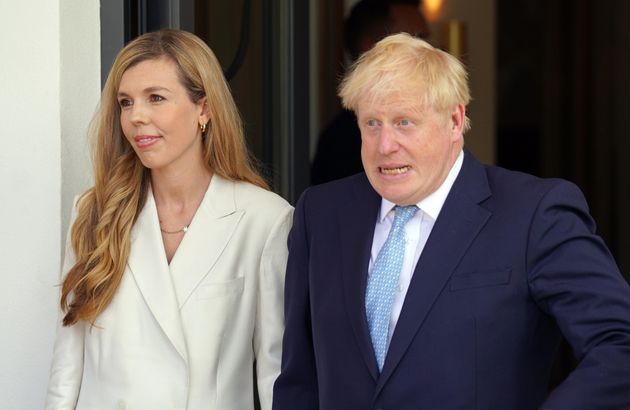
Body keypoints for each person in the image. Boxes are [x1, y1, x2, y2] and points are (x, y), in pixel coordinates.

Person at [273, 33, 630, 409]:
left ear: (455, 121)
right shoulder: (322, 214)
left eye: (404, 122)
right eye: (372, 123)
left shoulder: (533, 214)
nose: (384, 145)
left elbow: (620, 342)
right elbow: (300, 380)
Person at [45, 29, 292, 410]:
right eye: (126, 103)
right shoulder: (95, 211)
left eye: (156, 98)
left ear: (204, 110)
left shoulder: (264, 220)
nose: (136, 117)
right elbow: (67, 370)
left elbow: (276, 377)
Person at [310, 0, 430, 185]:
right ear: (373, 49)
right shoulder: (341, 141)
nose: (430, 51)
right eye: (418, 39)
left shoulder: (437, 117)